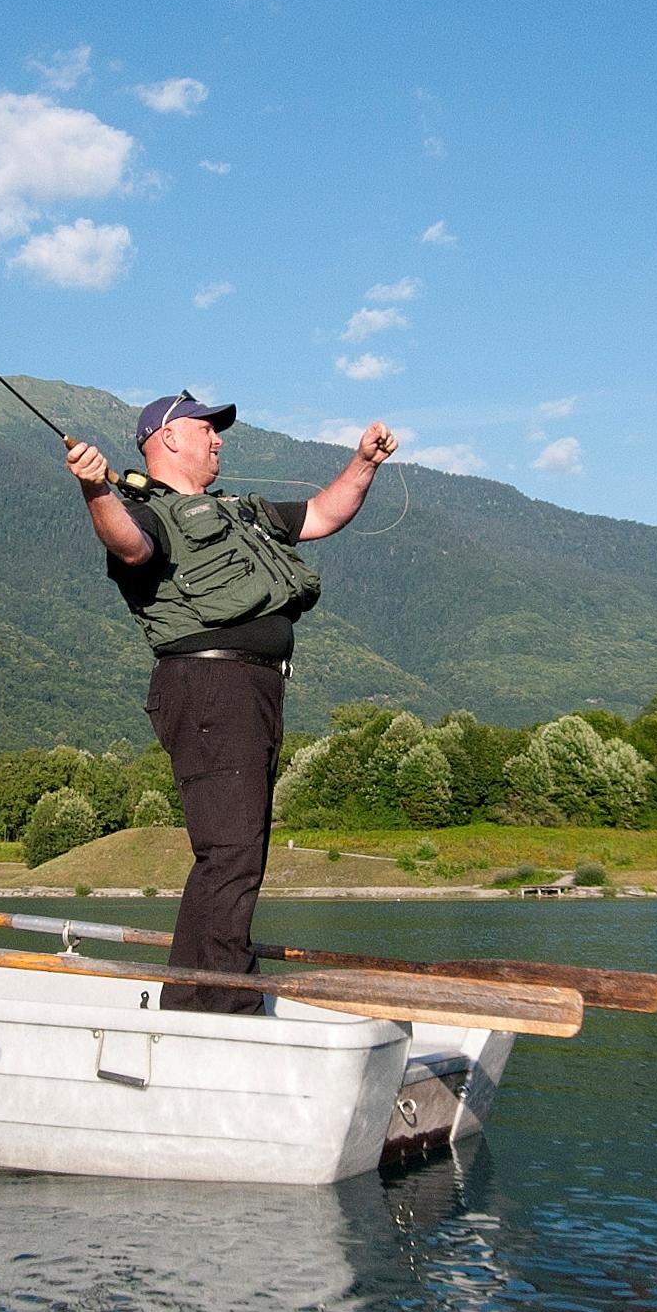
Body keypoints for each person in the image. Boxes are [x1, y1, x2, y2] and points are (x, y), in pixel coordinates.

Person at [66, 393, 397, 1010]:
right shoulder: (143, 512)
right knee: (232, 852)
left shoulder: (236, 512)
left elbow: (322, 515)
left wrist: (364, 463)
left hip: (253, 690)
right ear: (165, 438)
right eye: (206, 429)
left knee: (234, 850)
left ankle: (193, 1004)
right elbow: (130, 548)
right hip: (210, 688)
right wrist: (94, 489)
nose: (218, 439)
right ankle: (225, 1010)